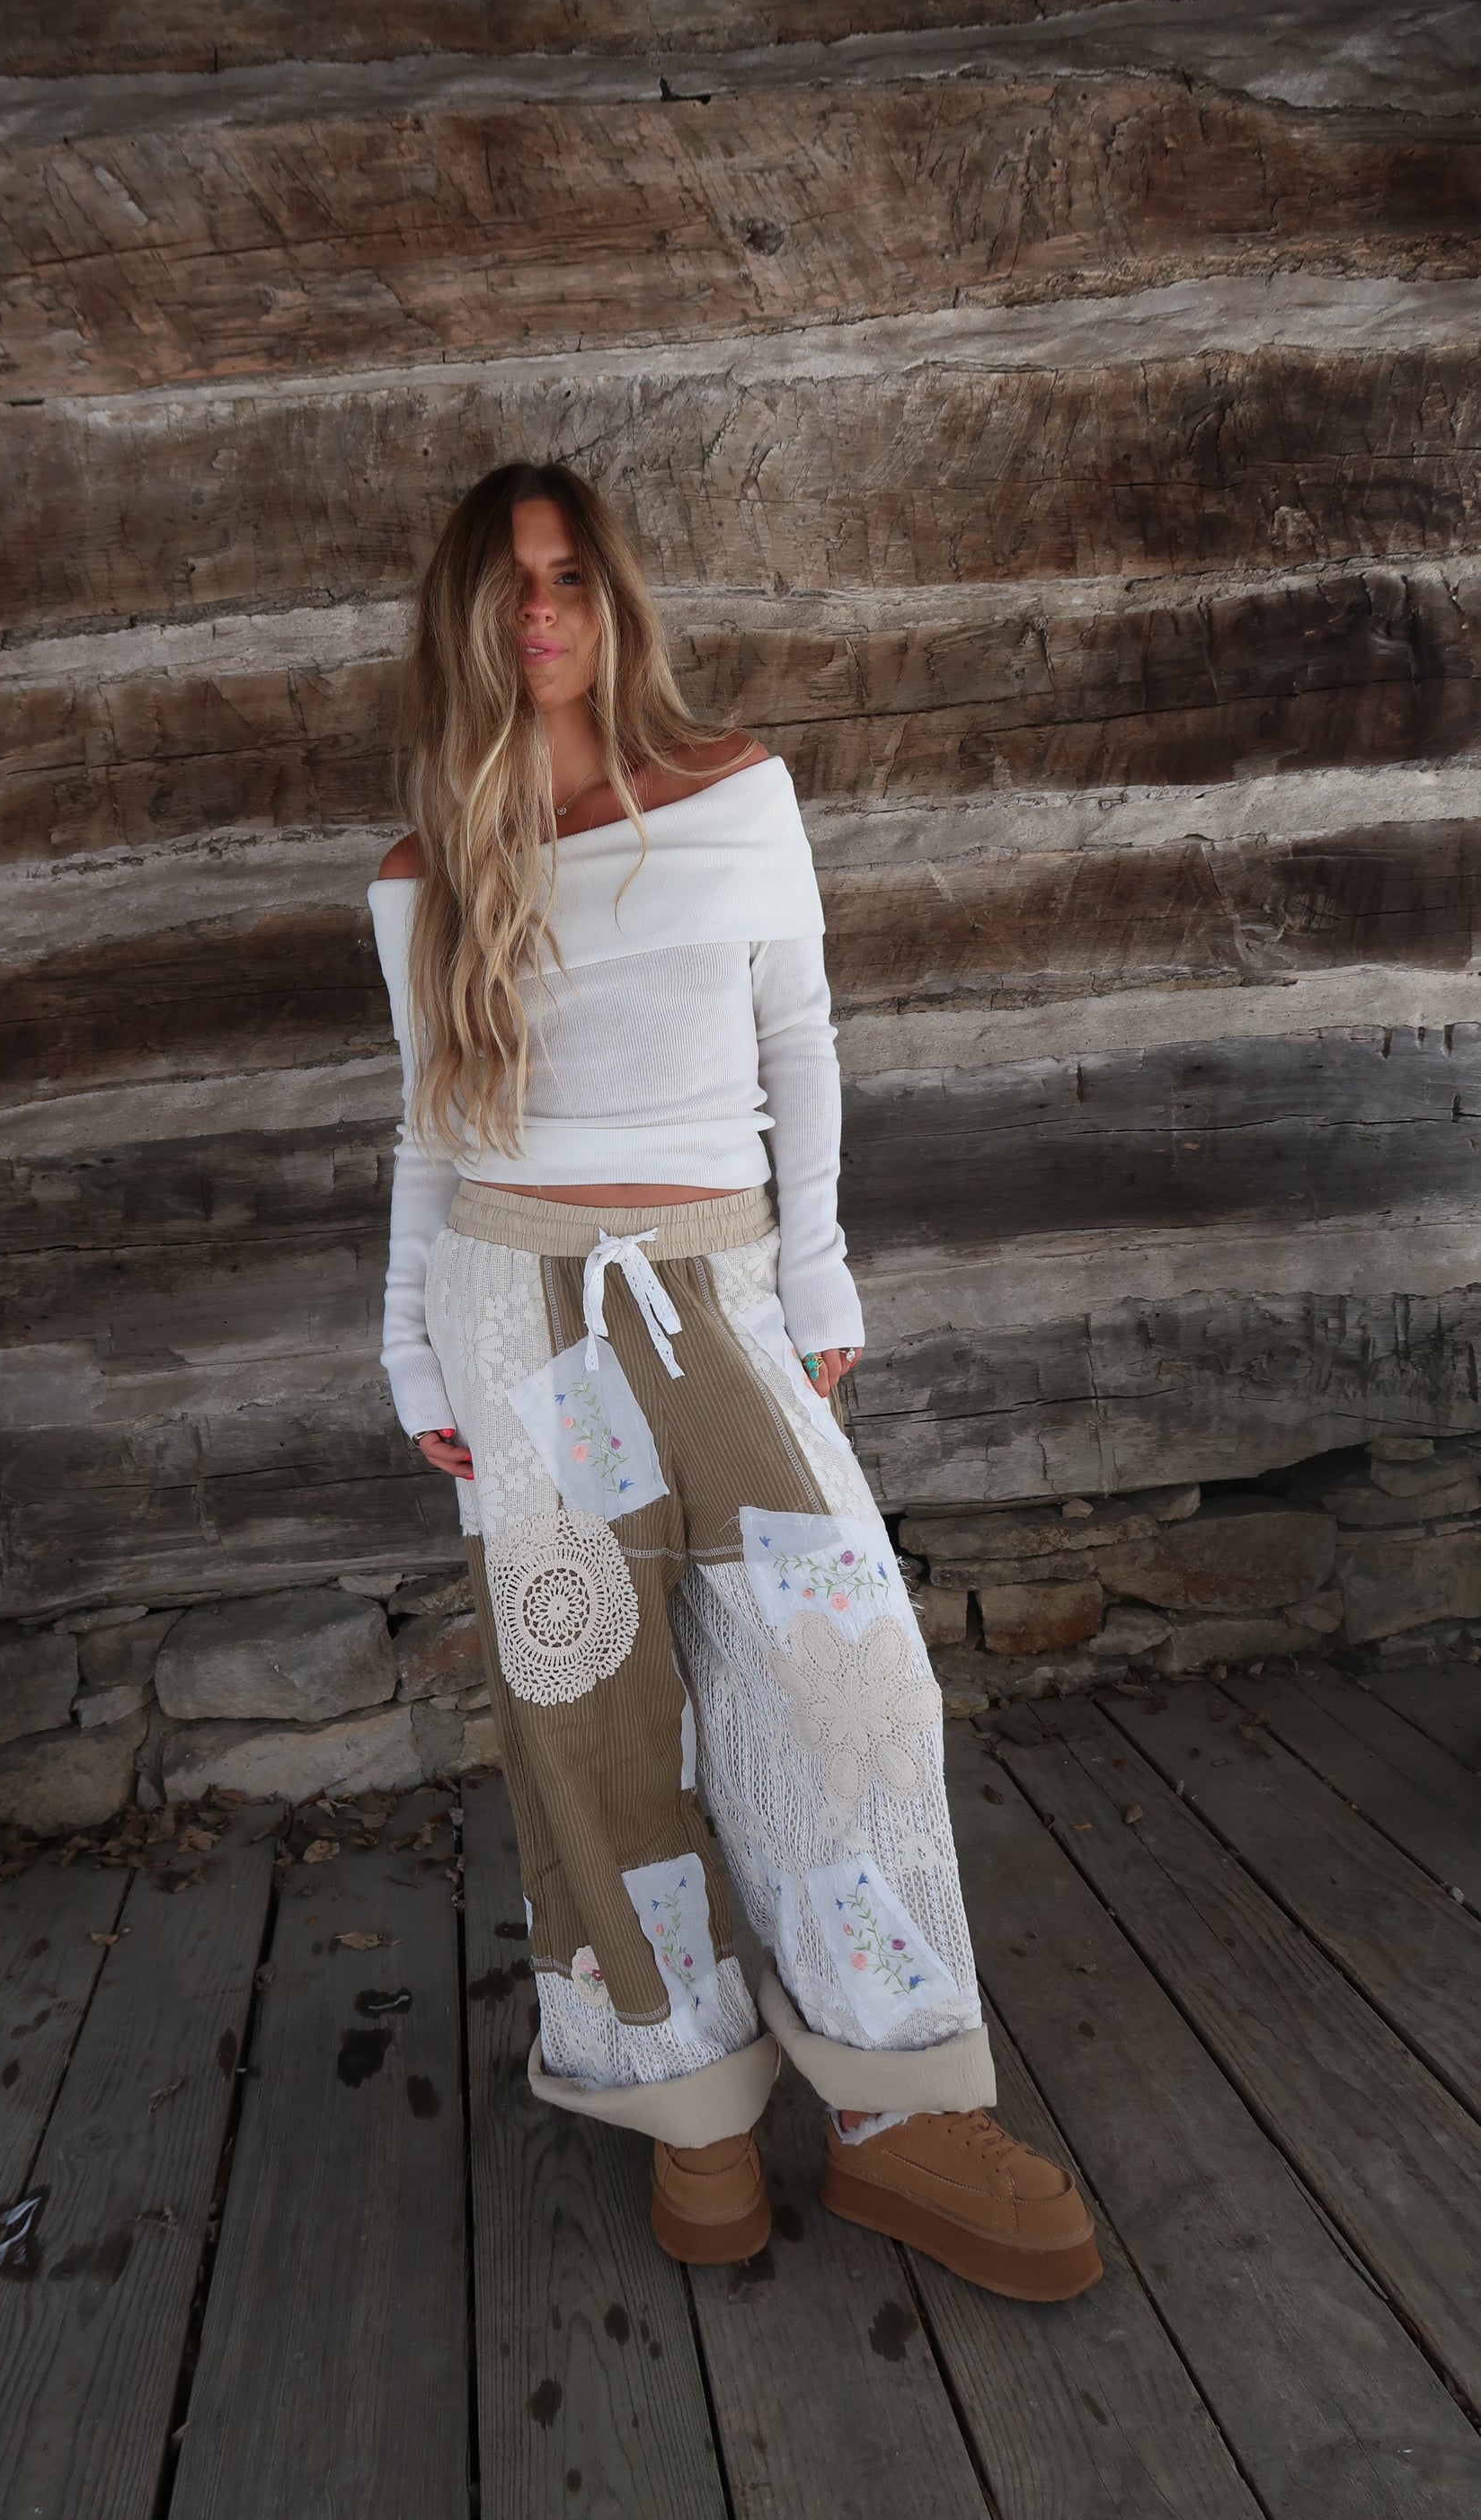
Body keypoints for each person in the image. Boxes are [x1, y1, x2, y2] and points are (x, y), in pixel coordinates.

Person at [368, 460, 1098, 2298]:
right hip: (512, 1304)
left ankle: (895, 2105)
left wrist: (819, 1266)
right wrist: (402, 1336)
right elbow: (427, 1126)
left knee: (842, 1676)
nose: (543, 611)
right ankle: (682, 2094)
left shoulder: (735, 792)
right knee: (586, 1709)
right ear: (467, 619)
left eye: (569, 575)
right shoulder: (426, 868)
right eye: (508, 584)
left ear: (614, 598)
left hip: (712, 1286)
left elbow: (801, 1038)